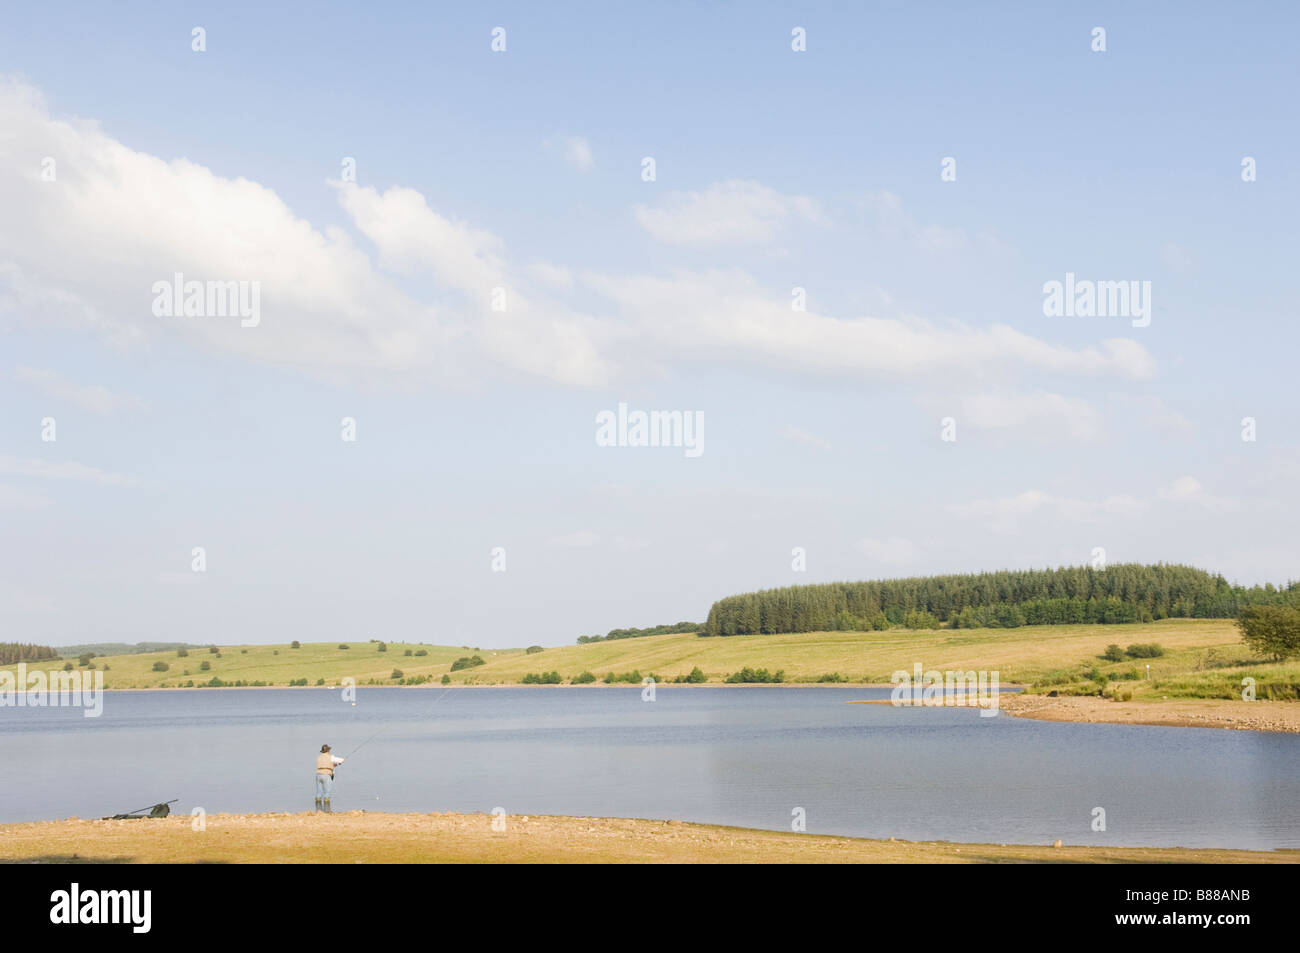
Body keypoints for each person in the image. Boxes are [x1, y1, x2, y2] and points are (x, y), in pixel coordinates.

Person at [315, 744, 344, 813]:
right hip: (326, 775)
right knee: (327, 793)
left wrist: (334, 765)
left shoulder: (319, 757)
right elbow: (341, 760)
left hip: (318, 775)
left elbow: (325, 765)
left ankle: (318, 810)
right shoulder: (331, 757)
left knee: (318, 793)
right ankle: (327, 810)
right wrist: (342, 761)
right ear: (328, 751)